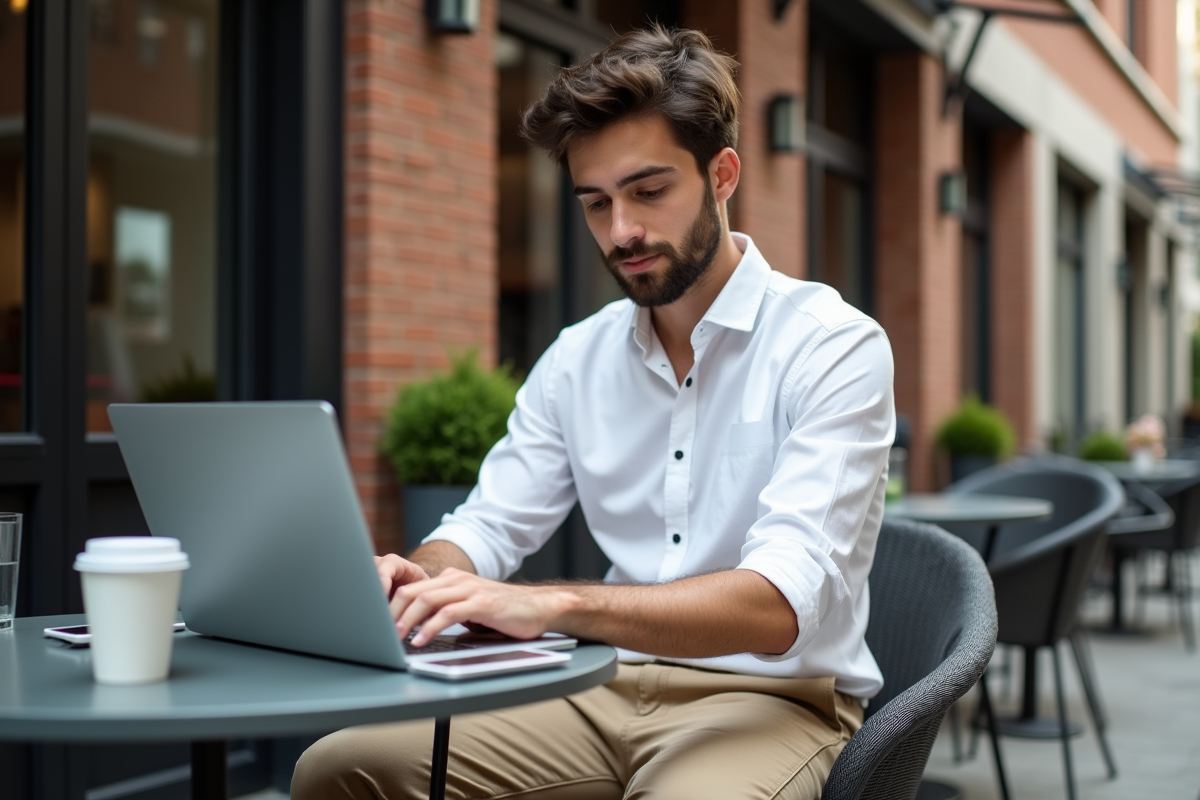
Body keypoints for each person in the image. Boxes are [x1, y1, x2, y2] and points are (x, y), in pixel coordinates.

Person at [293, 24, 894, 800]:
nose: (622, 232)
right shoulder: (578, 357)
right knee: (338, 769)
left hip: (772, 700)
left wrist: (554, 605)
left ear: (723, 174)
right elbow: (489, 526)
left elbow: (778, 605)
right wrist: (425, 576)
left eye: (649, 192)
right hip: (598, 686)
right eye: (596, 203)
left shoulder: (832, 347)